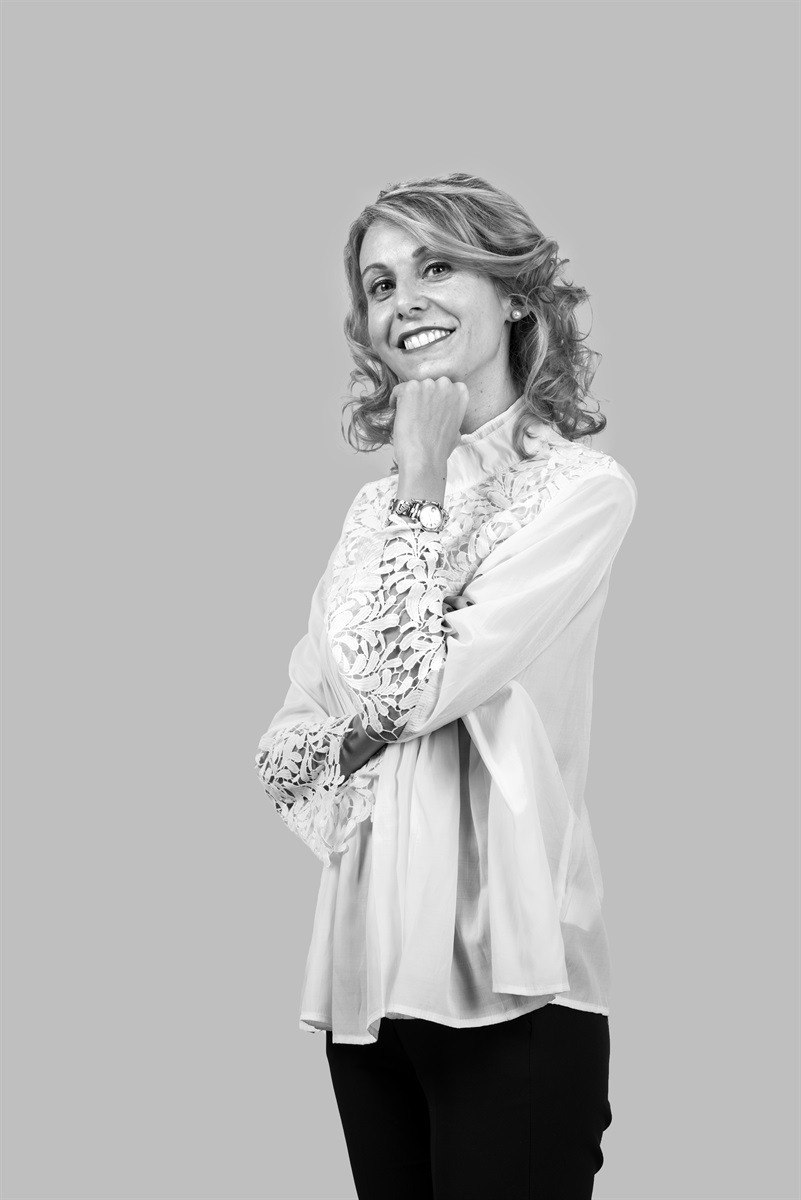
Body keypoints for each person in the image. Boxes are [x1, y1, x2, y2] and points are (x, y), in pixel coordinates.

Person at [254, 172, 638, 1200]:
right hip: (365, 985)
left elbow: (399, 698)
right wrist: (357, 725)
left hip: (518, 985)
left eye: (436, 266)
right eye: (380, 284)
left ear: (513, 294)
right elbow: (286, 754)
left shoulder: (580, 494)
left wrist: (420, 476)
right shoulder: (367, 517)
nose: (403, 301)